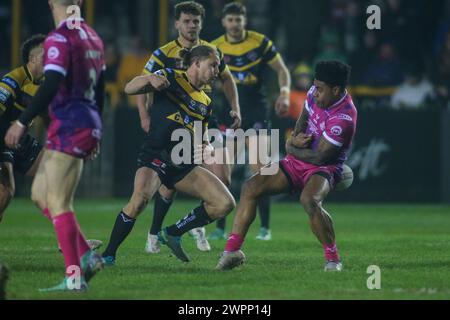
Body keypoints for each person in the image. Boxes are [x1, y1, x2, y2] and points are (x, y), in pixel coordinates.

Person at [216, 61, 357, 272]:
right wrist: (295, 139)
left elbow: (320, 157)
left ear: (336, 90)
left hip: (324, 169)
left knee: (309, 200)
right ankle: (232, 251)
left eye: (320, 89)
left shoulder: (344, 117)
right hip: (296, 162)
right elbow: (304, 117)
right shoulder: (314, 92)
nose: (315, 92)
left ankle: (333, 259)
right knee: (251, 187)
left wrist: (290, 146)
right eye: (315, 87)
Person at [5, 0, 106, 291]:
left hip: (70, 124)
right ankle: (87, 255)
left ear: (51, 3)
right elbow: (100, 88)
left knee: (59, 202)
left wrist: (21, 121)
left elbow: (50, 84)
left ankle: (74, 277)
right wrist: (96, 128)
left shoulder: (59, 37)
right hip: (83, 122)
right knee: (39, 193)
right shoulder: (92, 37)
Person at [102, 45, 235, 265]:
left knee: (225, 203)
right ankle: (108, 255)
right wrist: (149, 81)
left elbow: (202, 139)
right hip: (156, 155)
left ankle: (173, 232)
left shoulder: (206, 103)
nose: (216, 71)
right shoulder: (169, 76)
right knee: (139, 202)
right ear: (197, 63)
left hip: (183, 163)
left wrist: (208, 149)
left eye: (218, 67)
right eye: (213, 65)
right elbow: (128, 88)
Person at [139, 1, 241, 254]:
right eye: (186, 21)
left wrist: (235, 107)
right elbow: (144, 83)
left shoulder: (211, 50)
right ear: (176, 24)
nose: (192, 25)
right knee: (170, 182)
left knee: (223, 176)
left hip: (207, 119)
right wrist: (145, 116)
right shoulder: (163, 53)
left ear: (201, 24)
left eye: (196, 21)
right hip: (176, 124)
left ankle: (196, 221)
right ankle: (154, 233)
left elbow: (228, 79)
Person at [209, 2, 291, 241]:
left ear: (245, 21)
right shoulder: (214, 47)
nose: (235, 24)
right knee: (223, 174)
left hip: (257, 114)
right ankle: (219, 229)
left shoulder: (260, 42)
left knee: (261, 173)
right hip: (229, 116)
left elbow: (282, 69)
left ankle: (265, 228)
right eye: (231, 20)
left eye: (239, 20)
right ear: (224, 22)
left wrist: (284, 92)